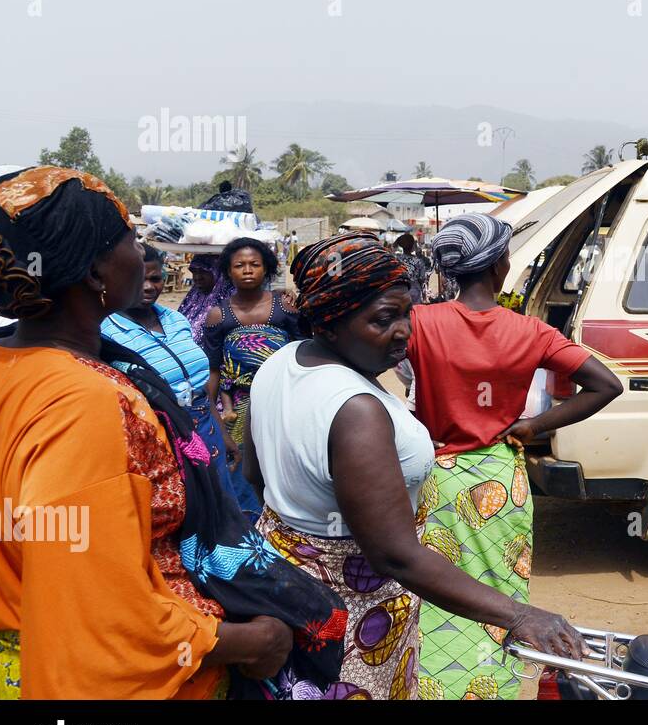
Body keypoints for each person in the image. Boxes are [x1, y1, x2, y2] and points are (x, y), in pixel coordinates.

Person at [0, 167, 347, 699]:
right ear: (94, 273)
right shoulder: (84, 402)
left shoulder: (3, 365)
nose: (143, 253)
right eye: (130, 239)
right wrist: (244, 640)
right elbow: (98, 606)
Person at [245, 231, 586, 700]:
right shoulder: (357, 408)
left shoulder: (279, 363)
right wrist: (519, 615)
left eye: (407, 312)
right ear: (327, 322)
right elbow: (395, 554)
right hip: (355, 611)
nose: (404, 331)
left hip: (291, 586)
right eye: (383, 319)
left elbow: (253, 477)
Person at [406, 213, 622, 698]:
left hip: (438, 477)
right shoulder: (531, 331)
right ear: (499, 264)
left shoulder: (420, 322)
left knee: (438, 593)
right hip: (502, 481)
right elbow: (607, 385)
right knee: (501, 597)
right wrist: (532, 426)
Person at [101, 245, 261, 518]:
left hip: (205, 422)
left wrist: (221, 432)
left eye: (155, 278)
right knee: (186, 508)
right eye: (140, 279)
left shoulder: (176, 319)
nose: (149, 287)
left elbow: (200, 386)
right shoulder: (106, 331)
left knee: (226, 501)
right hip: (163, 432)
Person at [203, 237, 303, 479]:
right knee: (246, 473)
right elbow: (213, 370)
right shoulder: (218, 316)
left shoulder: (286, 307)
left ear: (266, 268)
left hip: (286, 403)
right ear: (228, 270)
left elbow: (304, 354)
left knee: (286, 470)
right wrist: (214, 419)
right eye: (239, 265)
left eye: (254, 264)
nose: (247, 270)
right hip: (238, 409)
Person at [178, 254, 234, 344]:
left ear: (218, 272)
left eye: (203, 271)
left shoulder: (231, 305)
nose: (197, 277)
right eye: (194, 272)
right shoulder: (192, 299)